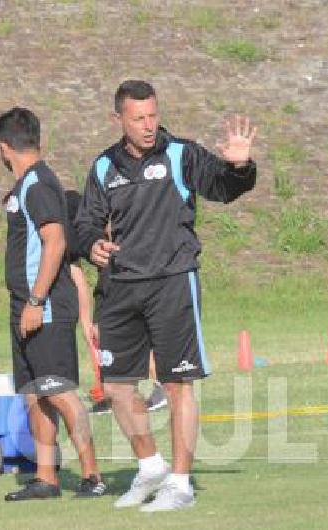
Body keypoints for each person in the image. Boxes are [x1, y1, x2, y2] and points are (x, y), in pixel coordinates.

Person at [75, 80, 257, 511]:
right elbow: (85, 224)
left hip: (172, 282)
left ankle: (180, 483)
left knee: (177, 385)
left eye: (153, 115)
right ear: (118, 119)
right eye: (138, 118)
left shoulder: (181, 154)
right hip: (119, 289)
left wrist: (239, 167)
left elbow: (225, 188)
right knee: (117, 388)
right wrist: (90, 246)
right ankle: (150, 466)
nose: (148, 125)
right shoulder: (104, 167)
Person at [0, 107, 105, 501]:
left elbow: (55, 241)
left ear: (4, 148)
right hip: (25, 303)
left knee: (57, 390)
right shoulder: (26, 184)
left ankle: (92, 475)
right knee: (34, 392)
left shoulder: (38, 183)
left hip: (44, 304)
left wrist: (36, 300)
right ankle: (46, 477)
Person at [64, 191, 167, 415]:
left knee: (119, 331)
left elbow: (77, 276)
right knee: (106, 334)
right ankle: (115, 394)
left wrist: (84, 322)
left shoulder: (62, 214)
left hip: (124, 269)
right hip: (112, 271)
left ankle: (159, 386)